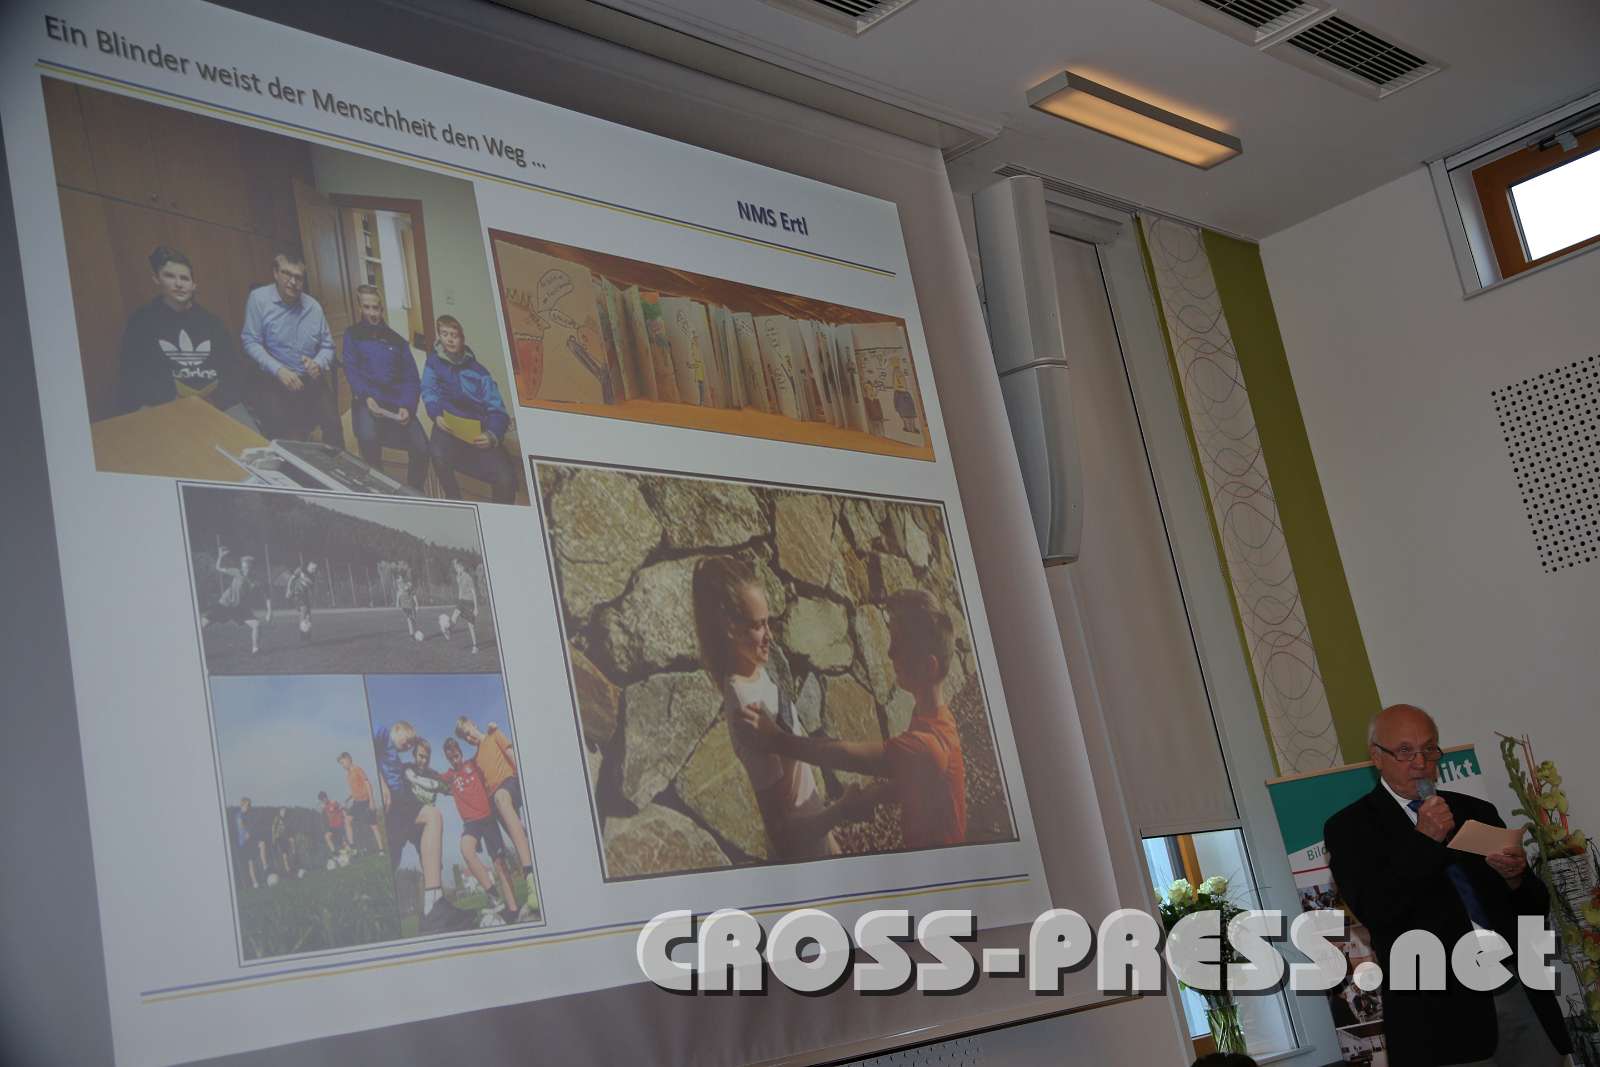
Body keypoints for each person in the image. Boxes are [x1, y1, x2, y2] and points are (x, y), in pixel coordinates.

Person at [1323, 703, 1571, 1066]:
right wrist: (1424, 841)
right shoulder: (1350, 828)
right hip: (1439, 1015)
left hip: (1517, 990)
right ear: (1377, 757)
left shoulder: (1475, 811)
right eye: (1405, 751)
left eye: (1429, 749)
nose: (1420, 762)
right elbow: (1378, 910)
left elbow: (1534, 909)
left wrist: (1515, 878)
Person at [735, 588, 966, 851]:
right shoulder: (933, 717)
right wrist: (878, 795)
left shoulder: (929, 746)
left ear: (928, 666)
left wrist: (776, 740)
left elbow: (843, 755)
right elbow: (922, 779)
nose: (890, 653)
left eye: (900, 644)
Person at [694, 556, 867, 860]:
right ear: (729, 628)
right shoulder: (747, 709)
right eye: (758, 625)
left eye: (768, 622)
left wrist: (831, 841)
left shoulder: (756, 672)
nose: (770, 636)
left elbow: (797, 781)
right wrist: (840, 811)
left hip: (820, 839)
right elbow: (783, 833)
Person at [115, 245, 245, 419]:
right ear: (157, 279)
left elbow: (231, 370)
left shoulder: (213, 323)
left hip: (215, 403)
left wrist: (217, 400)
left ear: (193, 285)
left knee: (248, 431)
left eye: (184, 278)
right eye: (170, 276)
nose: (178, 284)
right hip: (161, 403)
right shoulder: (141, 321)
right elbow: (132, 374)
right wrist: (169, 399)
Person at [371, 720, 476, 934]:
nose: (408, 745)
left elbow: (446, 785)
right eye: (408, 742)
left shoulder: (407, 764)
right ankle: (420, 910)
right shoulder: (383, 735)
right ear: (397, 730)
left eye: (411, 744)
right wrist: (380, 783)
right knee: (393, 858)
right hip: (395, 810)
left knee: (432, 832)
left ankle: (434, 906)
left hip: (407, 810)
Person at [240, 251, 342, 446]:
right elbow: (250, 341)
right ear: (275, 273)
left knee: (334, 425)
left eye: (298, 277)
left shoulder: (314, 307)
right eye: (287, 274)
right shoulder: (258, 299)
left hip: (309, 378)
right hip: (275, 378)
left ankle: (335, 463)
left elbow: (328, 346)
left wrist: (318, 363)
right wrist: (278, 369)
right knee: (284, 436)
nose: (293, 282)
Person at [421, 316, 517, 503]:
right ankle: (454, 497)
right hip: (447, 425)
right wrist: (436, 415)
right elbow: (429, 390)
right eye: (445, 334)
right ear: (439, 337)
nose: (450, 339)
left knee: (507, 479)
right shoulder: (433, 363)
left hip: (478, 431)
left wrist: (491, 435)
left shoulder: (480, 372)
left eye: (454, 335)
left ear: (462, 339)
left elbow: (498, 411)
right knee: (436, 453)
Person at [343, 285, 429, 490]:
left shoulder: (398, 341)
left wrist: (407, 406)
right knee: (368, 438)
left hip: (397, 402)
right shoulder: (352, 335)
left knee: (422, 448)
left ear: (382, 309)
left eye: (376, 308)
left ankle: (414, 490)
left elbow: (411, 379)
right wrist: (367, 397)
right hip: (367, 401)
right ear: (360, 308)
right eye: (367, 307)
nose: (372, 313)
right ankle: (378, 486)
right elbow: (352, 371)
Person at [455, 716, 537, 915]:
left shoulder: (494, 735)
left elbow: (512, 755)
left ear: (473, 724)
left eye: (468, 732)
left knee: (501, 797)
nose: (469, 738)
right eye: (465, 738)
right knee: (518, 836)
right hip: (496, 802)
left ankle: (530, 876)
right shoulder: (475, 760)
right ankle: (531, 893)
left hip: (509, 784)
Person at [436, 738, 521, 926]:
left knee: (500, 863)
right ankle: (493, 894)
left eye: (456, 754)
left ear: (460, 752)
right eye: (450, 757)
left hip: (488, 818)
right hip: (471, 823)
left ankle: (513, 909)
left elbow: (485, 754)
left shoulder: (472, 764)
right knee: (466, 849)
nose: (454, 758)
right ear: (447, 758)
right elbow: (433, 778)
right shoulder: (449, 776)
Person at [200, 548, 271, 655]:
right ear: (242, 567)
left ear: (253, 568)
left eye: (249, 567)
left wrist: (269, 612)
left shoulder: (257, 580)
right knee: (203, 624)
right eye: (245, 567)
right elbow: (218, 567)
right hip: (224, 605)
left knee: (256, 624)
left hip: (240, 609)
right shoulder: (237, 572)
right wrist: (220, 556)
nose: (246, 570)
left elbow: (267, 596)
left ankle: (255, 649)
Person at [339, 751, 380, 853]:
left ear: (348, 759)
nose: (342, 766)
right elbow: (355, 790)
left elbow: (367, 784)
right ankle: (353, 847)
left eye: (343, 763)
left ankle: (381, 849)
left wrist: (372, 801)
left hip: (365, 801)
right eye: (341, 764)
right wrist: (347, 799)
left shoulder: (358, 770)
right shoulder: (348, 775)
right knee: (347, 820)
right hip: (357, 803)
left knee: (374, 826)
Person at [439, 558, 481, 654]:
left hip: (469, 602)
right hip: (461, 602)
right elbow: (460, 590)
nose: (456, 570)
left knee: (471, 626)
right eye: (456, 568)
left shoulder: (468, 577)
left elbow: (474, 593)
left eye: (457, 568)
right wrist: (459, 601)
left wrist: (476, 608)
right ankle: (447, 630)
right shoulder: (458, 577)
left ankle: (475, 646)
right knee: (454, 617)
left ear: (462, 567)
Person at [282, 561, 318, 642]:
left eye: (315, 569)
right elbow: (291, 579)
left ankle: (306, 633)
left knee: (308, 616)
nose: (314, 570)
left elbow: (311, 589)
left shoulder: (313, 577)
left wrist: (312, 597)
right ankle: (303, 632)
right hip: (297, 594)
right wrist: (288, 590)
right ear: (308, 566)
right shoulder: (300, 570)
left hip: (305, 596)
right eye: (312, 568)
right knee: (304, 611)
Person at [232, 797, 261, 890]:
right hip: (244, 842)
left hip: (250, 840)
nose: (249, 807)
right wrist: (246, 833)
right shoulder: (239, 815)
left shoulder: (248, 815)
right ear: (242, 805)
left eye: (250, 805)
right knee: (250, 862)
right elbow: (241, 825)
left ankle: (256, 880)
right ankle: (254, 882)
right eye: (247, 805)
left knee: (252, 861)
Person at [318, 790, 348, 855]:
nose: (323, 800)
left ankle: (349, 851)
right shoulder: (323, 807)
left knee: (344, 842)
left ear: (326, 797)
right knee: (327, 837)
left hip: (339, 824)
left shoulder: (333, 802)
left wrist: (343, 814)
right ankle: (334, 853)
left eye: (324, 798)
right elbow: (323, 816)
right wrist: (322, 810)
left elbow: (342, 808)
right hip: (332, 826)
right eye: (322, 800)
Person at [395, 570, 420, 640]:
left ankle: (416, 633)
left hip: (410, 605)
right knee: (409, 619)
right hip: (404, 606)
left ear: (402, 578)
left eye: (399, 578)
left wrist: (417, 604)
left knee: (413, 619)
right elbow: (398, 594)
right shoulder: (399, 586)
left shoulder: (408, 585)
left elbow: (413, 594)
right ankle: (412, 634)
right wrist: (397, 602)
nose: (398, 580)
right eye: (397, 579)